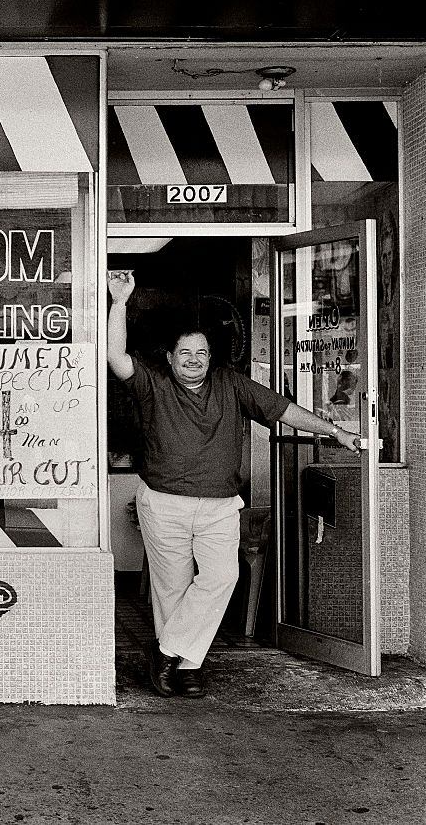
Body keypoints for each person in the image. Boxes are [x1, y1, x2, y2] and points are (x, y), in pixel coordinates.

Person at [107, 270, 361, 699]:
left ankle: (166, 650)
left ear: (211, 357)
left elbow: (283, 410)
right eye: (184, 352)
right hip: (163, 501)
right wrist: (119, 302)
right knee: (171, 587)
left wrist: (333, 432)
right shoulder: (154, 385)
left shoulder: (231, 384)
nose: (193, 359)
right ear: (169, 358)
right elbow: (115, 356)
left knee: (222, 576)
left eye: (201, 352)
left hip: (220, 505)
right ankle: (186, 668)